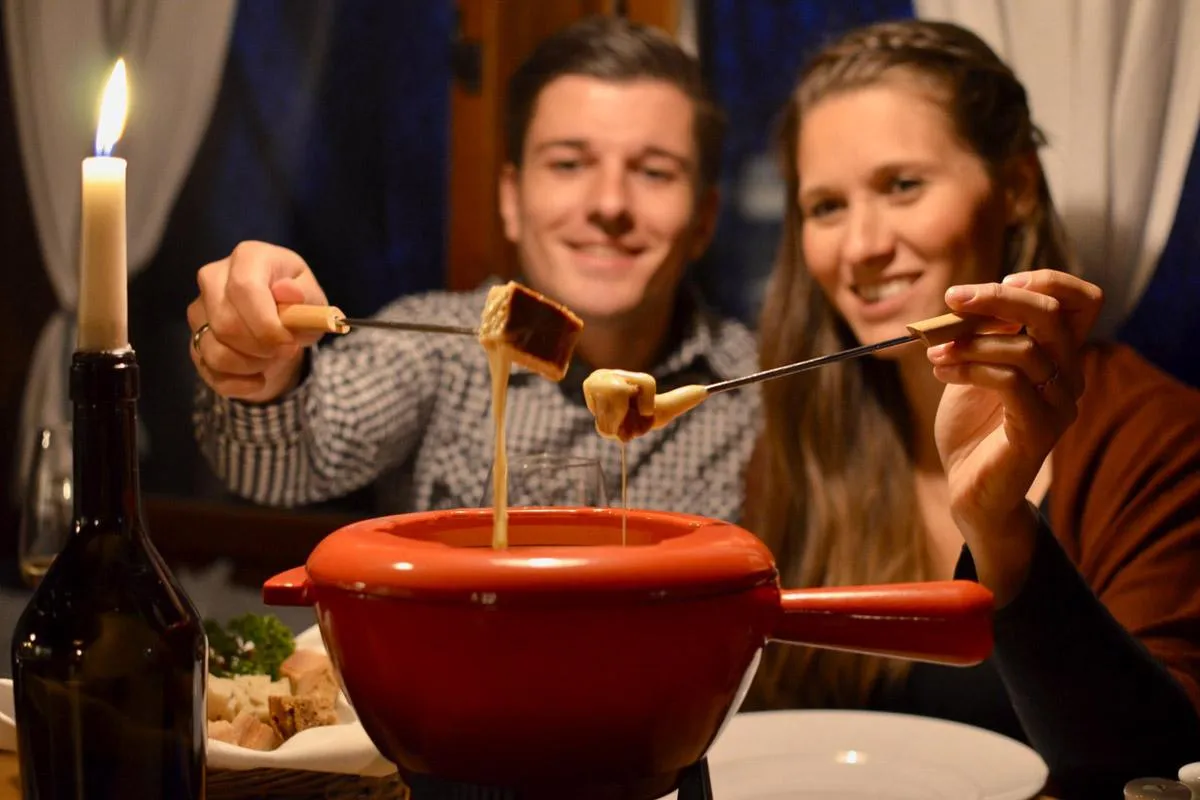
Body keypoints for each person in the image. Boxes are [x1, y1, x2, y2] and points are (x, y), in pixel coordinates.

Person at [742, 19, 1200, 796]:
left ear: (1015, 187)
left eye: (903, 185)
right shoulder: (806, 433)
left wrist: (997, 525)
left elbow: (1157, 769)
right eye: (825, 206)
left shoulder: (1154, 436)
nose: (861, 245)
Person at [186, 15, 759, 522]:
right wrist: (263, 368)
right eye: (568, 164)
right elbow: (281, 464)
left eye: (654, 172)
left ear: (704, 219)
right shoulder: (435, 352)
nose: (609, 204)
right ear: (511, 198)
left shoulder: (757, 396)